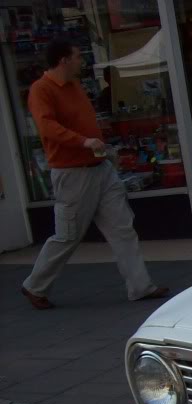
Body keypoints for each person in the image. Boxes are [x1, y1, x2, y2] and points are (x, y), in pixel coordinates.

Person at [20, 37, 167, 310]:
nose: (81, 61)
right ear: (64, 60)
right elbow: (47, 126)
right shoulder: (41, 90)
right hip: (72, 173)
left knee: (122, 227)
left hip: (99, 167)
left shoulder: (74, 86)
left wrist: (98, 143)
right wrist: (83, 141)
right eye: (77, 56)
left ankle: (140, 286)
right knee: (68, 235)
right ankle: (34, 285)